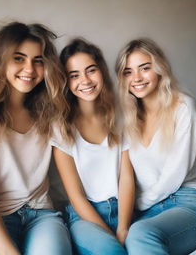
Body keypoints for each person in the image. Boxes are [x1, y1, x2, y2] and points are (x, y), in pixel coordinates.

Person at [0, 21, 72, 255]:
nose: (29, 69)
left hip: (41, 215)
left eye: (38, 60)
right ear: (1, 60)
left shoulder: (50, 114)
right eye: (19, 58)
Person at [116, 38, 196, 255]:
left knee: (139, 233)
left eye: (145, 68)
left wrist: (137, 208)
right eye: (128, 71)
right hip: (151, 210)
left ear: (159, 69)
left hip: (189, 201)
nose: (136, 77)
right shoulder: (127, 118)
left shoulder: (183, 105)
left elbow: (175, 173)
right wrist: (123, 220)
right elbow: (126, 176)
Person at [51, 38, 135, 255]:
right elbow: (76, 196)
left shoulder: (119, 116)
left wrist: (123, 228)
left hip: (125, 208)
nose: (85, 80)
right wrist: (109, 234)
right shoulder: (61, 127)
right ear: (66, 81)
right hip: (85, 216)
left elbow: (126, 178)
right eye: (74, 75)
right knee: (112, 251)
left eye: (91, 70)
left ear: (101, 72)